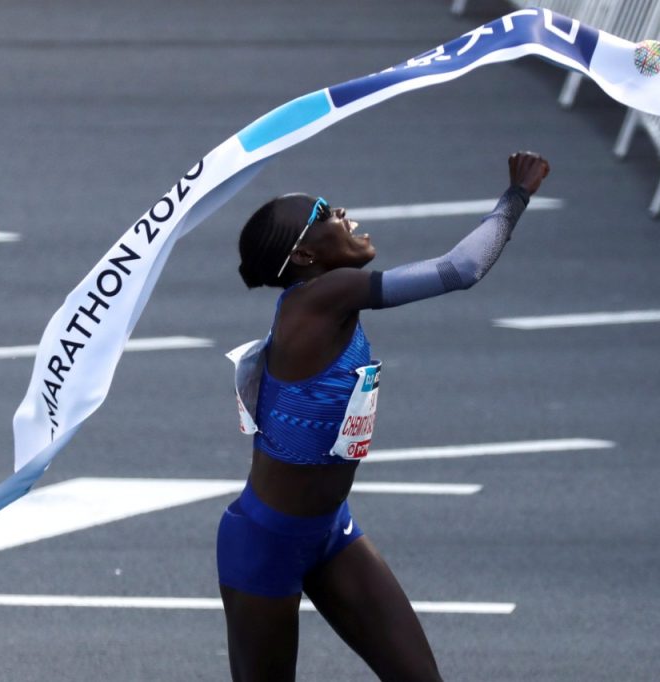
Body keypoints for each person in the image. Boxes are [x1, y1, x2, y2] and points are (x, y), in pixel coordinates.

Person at [219, 151, 550, 682]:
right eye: (325, 213)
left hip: (330, 532)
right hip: (265, 543)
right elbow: (460, 269)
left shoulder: (321, 302)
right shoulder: (326, 296)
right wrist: (516, 196)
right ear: (304, 255)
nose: (343, 211)